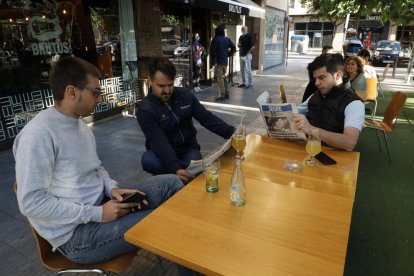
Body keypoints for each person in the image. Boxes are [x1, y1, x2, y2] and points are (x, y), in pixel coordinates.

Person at [13, 56, 183, 265]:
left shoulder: (79, 125)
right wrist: (97, 213)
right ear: (71, 92)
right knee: (165, 220)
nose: (100, 99)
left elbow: (96, 168)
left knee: (172, 183)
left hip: (102, 205)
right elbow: (31, 203)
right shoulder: (37, 135)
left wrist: (111, 188)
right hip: (76, 237)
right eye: (95, 93)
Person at [137, 57, 235, 182]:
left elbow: (206, 117)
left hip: (188, 149)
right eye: (161, 86)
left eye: (170, 84)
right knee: (147, 160)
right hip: (161, 153)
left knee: (193, 158)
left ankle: (178, 175)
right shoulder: (146, 110)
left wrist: (231, 132)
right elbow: (158, 141)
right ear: (150, 80)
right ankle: (184, 172)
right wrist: (174, 167)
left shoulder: (185, 95)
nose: (167, 90)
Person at [293, 54, 365, 151]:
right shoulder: (316, 95)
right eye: (315, 78)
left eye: (321, 78)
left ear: (338, 75)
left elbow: (349, 142)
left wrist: (312, 130)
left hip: (333, 158)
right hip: (306, 149)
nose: (316, 83)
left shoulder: (354, 104)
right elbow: (295, 112)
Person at [210, 24, 236, 101]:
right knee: (224, 78)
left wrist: (213, 62)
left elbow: (213, 52)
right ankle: (226, 94)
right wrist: (229, 54)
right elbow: (234, 47)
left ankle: (222, 95)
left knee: (219, 79)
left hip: (218, 62)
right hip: (225, 62)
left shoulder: (215, 39)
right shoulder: (227, 39)